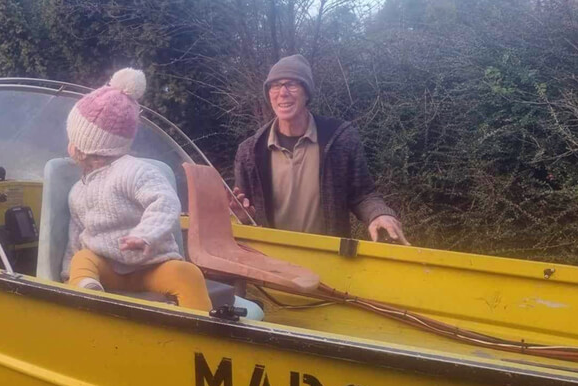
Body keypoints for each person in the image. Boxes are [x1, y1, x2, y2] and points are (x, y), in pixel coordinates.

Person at [62, 68, 212, 311]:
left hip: (151, 266)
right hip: (107, 267)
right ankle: (84, 295)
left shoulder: (134, 171)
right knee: (82, 259)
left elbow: (164, 202)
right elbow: (76, 236)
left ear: (85, 146)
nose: (69, 145)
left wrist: (145, 234)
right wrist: (67, 274)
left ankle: (203, 330)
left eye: (73, 139)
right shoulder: (77, 191)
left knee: (188, 274)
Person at [231, 54, 410, 245]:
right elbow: (243, 211)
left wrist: (379, 215)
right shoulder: (250, 151)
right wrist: (239, 217)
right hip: (272, 262)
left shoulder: (339, 138)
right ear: (269, 94)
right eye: (275, 85)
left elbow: (363, 195)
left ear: (307, 93)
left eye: (292, 84)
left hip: (328, 259)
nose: (282, 92)